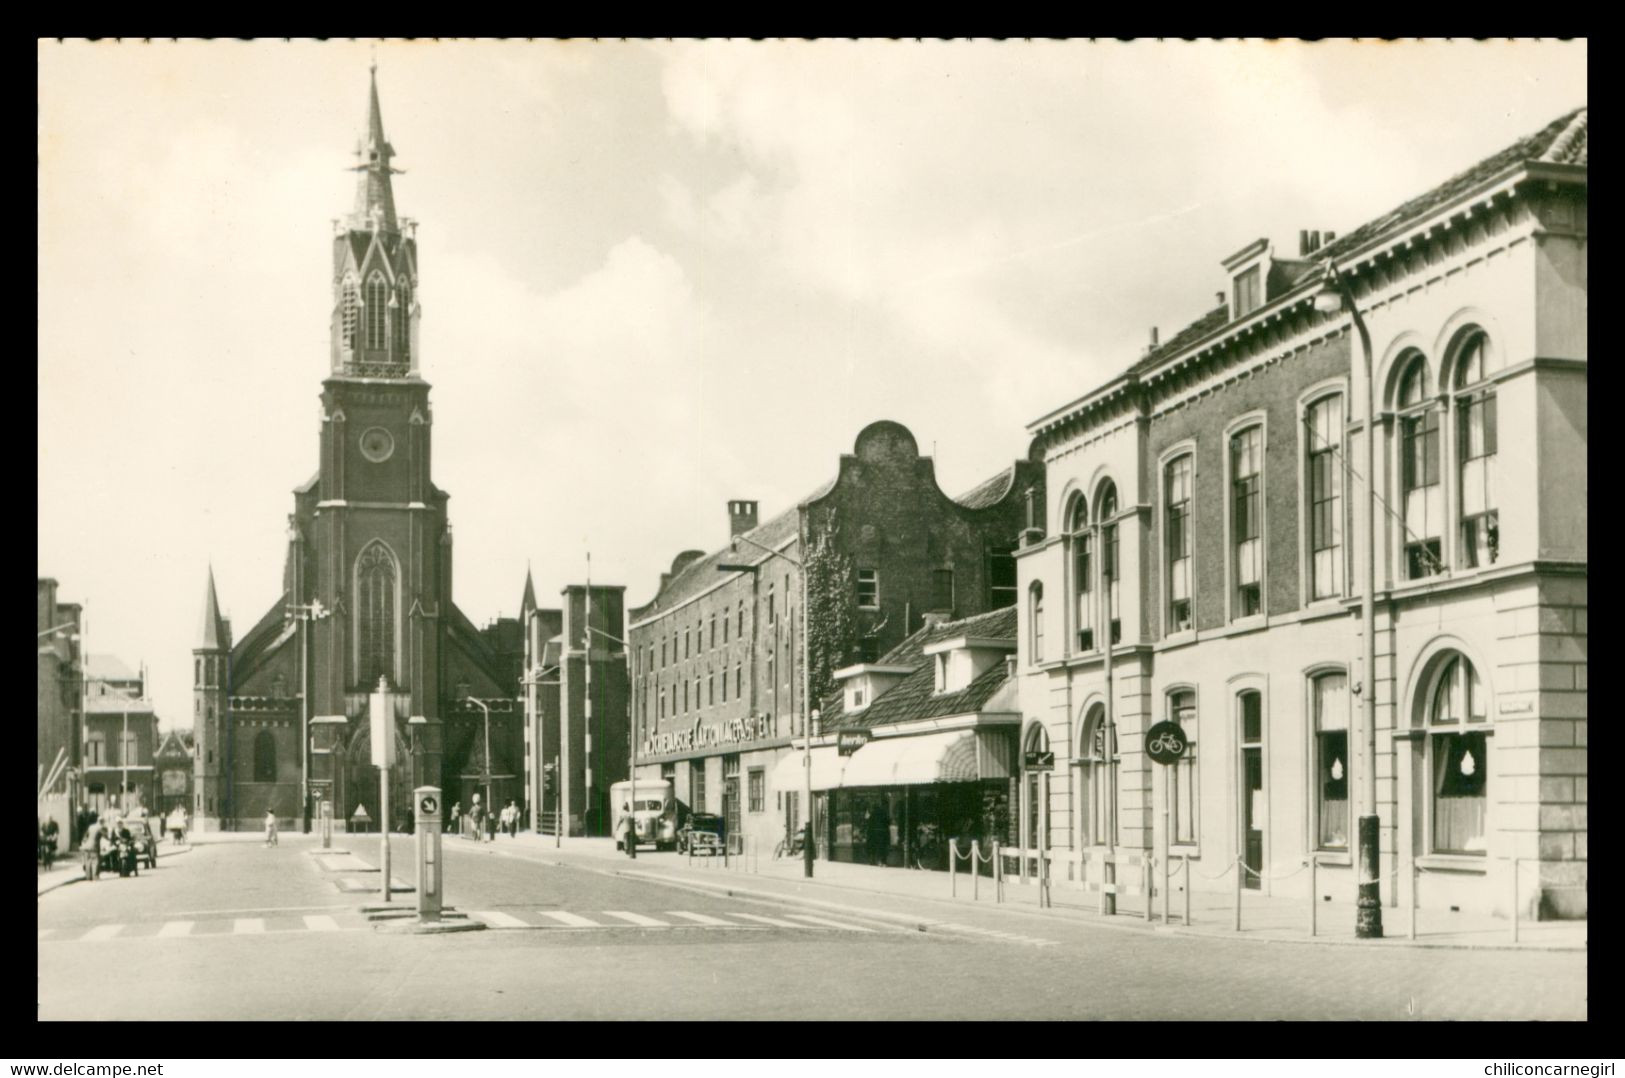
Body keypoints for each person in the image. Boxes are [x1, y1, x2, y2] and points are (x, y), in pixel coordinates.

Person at [82, 817, 103, 882]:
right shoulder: (100, 828)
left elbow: (85, 836)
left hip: (86, 846)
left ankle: (88, 877)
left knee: (88, 861)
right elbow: (106, 836)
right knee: (95, 861)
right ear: (102, 822)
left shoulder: (91, 827)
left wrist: (84, 843)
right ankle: (95, 876)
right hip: (94, 847)